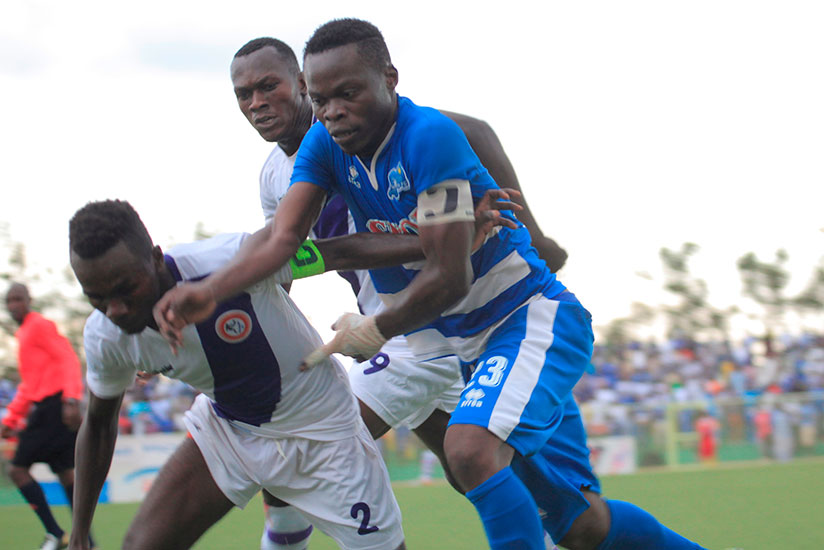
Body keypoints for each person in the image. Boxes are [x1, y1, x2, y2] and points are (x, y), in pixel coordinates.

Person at [155, 19, 708, 550]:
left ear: (388, 79)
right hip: (442, 338)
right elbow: (288, 244)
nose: (333, 110)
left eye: (347, 93)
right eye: (323, 100)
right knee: (577, 522)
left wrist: (380, 324)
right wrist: (212, 290)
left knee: (442, 450)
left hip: (511, 320)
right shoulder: (317, 149)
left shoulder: (427, 136)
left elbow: (449, 271)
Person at [229, 36, 565, 550]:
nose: (257, 103)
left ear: (300, 84)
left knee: (305, 441)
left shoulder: (361, 126)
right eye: (244, 94)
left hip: (421, 319)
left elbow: (472, 131)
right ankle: (572, 526)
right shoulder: (276, 176)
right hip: (396, 326)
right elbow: (292, 256)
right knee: (470, 468)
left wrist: (532, 236)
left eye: (268, 86)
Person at [66, 200, 413, 550]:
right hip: (230, 431)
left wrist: (433, 245)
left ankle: (285, 526)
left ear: (156, 258)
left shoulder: (228, 260)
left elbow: (339, 252)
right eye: (96, 297)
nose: (115, 310)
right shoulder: (105, 337)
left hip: (324, 431)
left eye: (126, 288)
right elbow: (98, 425)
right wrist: (79, 532)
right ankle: (284, 526)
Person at [2, 283, 92, 550]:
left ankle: (55, 533)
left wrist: (71, 398)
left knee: (17, 469)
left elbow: (68, 358)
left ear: (29, 300)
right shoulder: (23, 333)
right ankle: (87, 542)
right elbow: (29, 385)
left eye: (18, 299)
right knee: (65, 474)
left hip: (54, 407)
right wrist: (10, 420)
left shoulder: (39, 325)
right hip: (47, 406)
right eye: (9, 301)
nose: (14, 305)